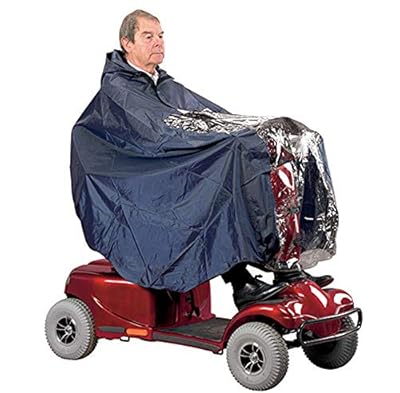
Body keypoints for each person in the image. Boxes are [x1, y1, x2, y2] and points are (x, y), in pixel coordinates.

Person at [71, 9, 334, 311]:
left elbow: (207, 116)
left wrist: (251, 132)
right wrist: (221, 143)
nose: (158, 42)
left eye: (161, 36)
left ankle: (286, 263)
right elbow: (156, 135)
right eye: (148, 36)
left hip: (177, 168)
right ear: (126, 43)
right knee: (226, 166)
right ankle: (240, 282)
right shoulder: (119, 90)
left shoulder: (163, 84)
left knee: (286, 142)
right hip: (141, 184)